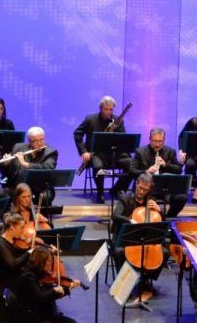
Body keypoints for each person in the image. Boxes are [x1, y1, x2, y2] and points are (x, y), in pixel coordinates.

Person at [112, 173, 167, 303]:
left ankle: (146, 279)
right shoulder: (125, 198)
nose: (141, 192)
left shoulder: (151, 200)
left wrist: (159, 210)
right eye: (140, 188)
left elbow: (161, 221)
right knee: (119, 252)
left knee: (164, 252)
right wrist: (130, 221)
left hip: (144, 239)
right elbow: (115, 216)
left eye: (145, 190)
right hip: (125, 237)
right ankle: (123, 283)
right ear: (136, 183)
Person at [73, 95, 131, 203]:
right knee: (98, 166)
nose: (108, 112)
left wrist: (113, 133)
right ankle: (100, 192)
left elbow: (123, 139)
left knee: (132, 165)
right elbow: (77, 134)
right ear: (100, 108)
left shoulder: (118, 120)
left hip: (114, 154)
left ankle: (116, 190)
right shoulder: (90, 119)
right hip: (96, 154)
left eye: (111, 109)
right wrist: (84, 152)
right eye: (106, 109)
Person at [130, 128, 187, 218]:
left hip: (165, 188)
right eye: (154, 141)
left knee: (182, 197)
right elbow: (132, 171)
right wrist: (146, 171)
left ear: (164, 140)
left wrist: (165, 165)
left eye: (160, 141)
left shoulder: (170, 151)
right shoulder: (140, 152)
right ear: (150, 139)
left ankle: (168, 217)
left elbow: (178, 170)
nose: (157, 144)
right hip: (146, 189)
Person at [0, 126, 57, 201]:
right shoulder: (18, 147)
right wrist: (7, 164)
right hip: (19, 187)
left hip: (39, 188)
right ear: (29, 141)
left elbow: (48, 168)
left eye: (41, 139)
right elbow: (10, 172)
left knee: (44, 197)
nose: (39, 143)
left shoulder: (50, 152)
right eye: (35, 141)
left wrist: (25, 164)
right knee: (1, 193)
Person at [0, 212, 32, 297]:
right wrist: (29, 252)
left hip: (15, 277)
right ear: (12, 227)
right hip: (5, 285)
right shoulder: (0, 245)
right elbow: (13, 264)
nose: (23, 231)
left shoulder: (13, 240)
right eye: (21, 228)